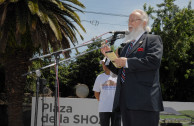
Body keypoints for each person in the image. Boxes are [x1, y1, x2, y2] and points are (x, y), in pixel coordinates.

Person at [101, 9, 164, 126]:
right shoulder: (127, 47)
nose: (129, 23)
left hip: (144, 100)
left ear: (144, 23)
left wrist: (128, 62)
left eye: (133, 20)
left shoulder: (152, 39)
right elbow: (120, 70)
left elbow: (153, 61)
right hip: (126, 100)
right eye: (128, 20)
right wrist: (109, 56)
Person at [93, 57, 121, 126]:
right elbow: (96, 93)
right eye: (103, 64)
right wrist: (103, 101)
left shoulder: (118, 76)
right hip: (103, 108)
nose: (104, 65)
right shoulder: (99, 77)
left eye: (105, 63)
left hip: (116, 108)